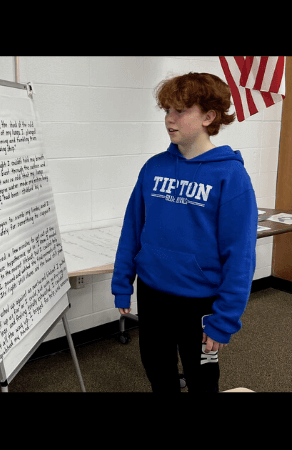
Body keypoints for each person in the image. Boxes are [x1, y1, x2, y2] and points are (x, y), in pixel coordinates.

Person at [112, 72, 257, 392]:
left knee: (202, 376)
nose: (169, 119)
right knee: (157, 367)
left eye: (180, 111)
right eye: (167, 110)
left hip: (201, 300)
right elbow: (132, 228)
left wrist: (224, 320)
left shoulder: (231, 176)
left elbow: (241, 256)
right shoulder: (154, 167)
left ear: (209, 116)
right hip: (153, 293)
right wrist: (123, 281)